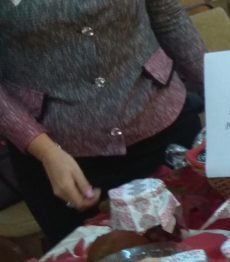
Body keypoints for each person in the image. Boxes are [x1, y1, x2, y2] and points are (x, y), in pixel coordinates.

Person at [0, 0, 207, 246]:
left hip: (163, 125)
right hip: (63, 159)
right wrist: (46, 151)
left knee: (206, 243)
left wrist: (225, 99)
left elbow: (169, 19)